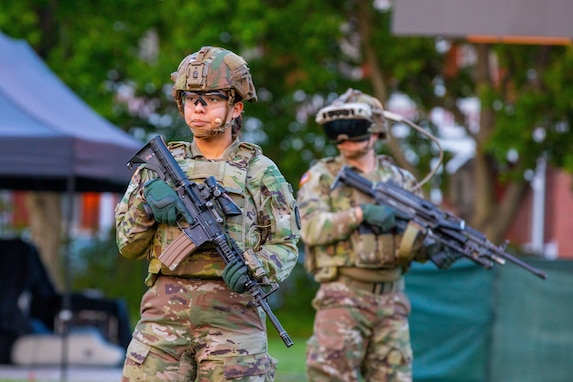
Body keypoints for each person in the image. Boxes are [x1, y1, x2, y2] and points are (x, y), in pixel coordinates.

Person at [115, 46, 300, 382]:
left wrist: (254, 266)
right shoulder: (156, 169)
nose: (198, 107)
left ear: (236, 108)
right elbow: (127, 246)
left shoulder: (260, 172)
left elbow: (285, 245)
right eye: (190, 98)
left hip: (234, 322)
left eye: (212, 98)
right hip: (163, 320)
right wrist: (147, 202)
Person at [297, 88, 459, 381]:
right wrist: (359, 214)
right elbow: (309, 228)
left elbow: (412, 240)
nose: (344, 139)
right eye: (336, 132)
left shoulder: (401, 180)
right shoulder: (321, 176)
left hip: (392, 300)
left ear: (375, 133)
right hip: (342, 296)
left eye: (352, 130)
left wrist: (433, 246)